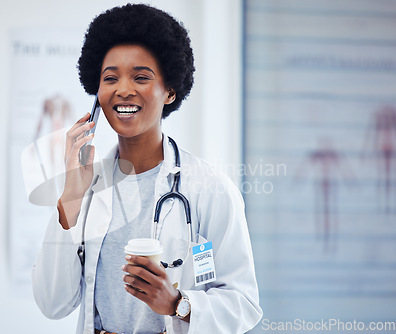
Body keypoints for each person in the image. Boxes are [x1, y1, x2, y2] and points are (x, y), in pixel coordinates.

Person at [32, 4, 262, 334]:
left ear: (170, 90)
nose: (123, 89)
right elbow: (52, 303)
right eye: (110, 78)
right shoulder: (85, 186)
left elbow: (243, 304)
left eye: (141, 77)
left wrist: (177, 303)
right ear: (97, 95)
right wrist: (70, 195)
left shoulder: (209, 188)